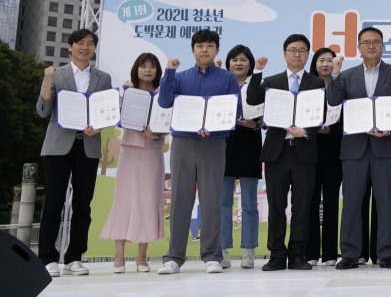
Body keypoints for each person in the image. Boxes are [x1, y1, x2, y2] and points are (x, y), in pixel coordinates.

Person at [157, 29, 242, 275]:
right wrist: (169, 71)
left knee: (211, 199)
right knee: (180, 200)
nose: (205, 50)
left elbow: (234, 110)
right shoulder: (180, 76)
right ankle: (174, 257)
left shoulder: (226, 78)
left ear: (217, 50)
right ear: (193, 49)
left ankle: (212, 256)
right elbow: (164, 102)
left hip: (213, 142)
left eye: (210, 45)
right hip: (183, 141)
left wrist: (213, 127)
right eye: (200, 45)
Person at [327, 26, 391, 269]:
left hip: (385, 147)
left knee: (386, 202)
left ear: (383, 46)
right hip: (354, 148)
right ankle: (350, 254)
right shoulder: (346, 75)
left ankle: (386, 254)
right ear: (358, 47)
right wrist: (334, 73)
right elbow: (334, 103)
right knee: (352, 203)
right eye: (366, 42)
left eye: (376, 42)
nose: (371, 46)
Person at [35, 28, 113, 277]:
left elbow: (106, 111)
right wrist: (47, 80)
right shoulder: (56, 74)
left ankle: (74, 257)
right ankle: (47, 257)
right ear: (70, 47)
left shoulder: (102, 77)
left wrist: (97, 126)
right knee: (53, 203)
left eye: (90, 44)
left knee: (83, 205)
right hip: (59, 146)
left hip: (88, 146)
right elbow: (43, 111)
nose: (85, 47)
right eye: (80, 43)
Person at [246, 34, 324, 271]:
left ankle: (298, 254)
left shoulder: (316, 83)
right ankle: (277, 255)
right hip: (277, 152)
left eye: (302, 50)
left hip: (304, 150)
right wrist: (257, 71)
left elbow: (320, 115)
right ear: (284, 54)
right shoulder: (271, 81)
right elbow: (251, 100)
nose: (297, 54)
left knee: (302, 207)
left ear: (307, 54)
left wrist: (306, 131)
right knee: (276, 206)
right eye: (292, 50)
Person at [100, 53, 166, 273]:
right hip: (129, 150)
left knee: (148, 201)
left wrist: (155, 136)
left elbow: (168, 123)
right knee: (124, 201)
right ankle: (119, 257)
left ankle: (142, 257)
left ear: (158, 71)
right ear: (136, 69)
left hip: (152, 152)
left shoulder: (163, 95)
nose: (148, 70)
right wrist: (123, 96)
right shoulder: (125, 91)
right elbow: (112, 116)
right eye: (143, 66)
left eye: (152, 66)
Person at [220, 44, 263, 270]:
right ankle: (223, 250)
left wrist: (255, 123)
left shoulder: (258, 85)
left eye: (243, 60)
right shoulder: (221, 84)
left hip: (249, 145)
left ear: (250, 64)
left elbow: (265, 116)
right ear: (228, 63)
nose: (238, 63)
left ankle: (249, 250)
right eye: (234, 59)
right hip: (223, 145)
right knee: (223, 203)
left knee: (249, 204)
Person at [306, 47, 345, 266]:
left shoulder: (341, 84)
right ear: (315, 63)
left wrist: (332, 128)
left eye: (330, 60)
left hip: (335, 149)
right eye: (321, 60)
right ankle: (311, 252)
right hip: (310, 149)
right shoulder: (307, 86)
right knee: (311, 201)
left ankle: (330, 253)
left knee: (331, 201)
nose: (325, 64)